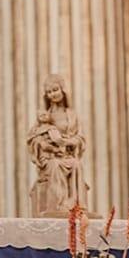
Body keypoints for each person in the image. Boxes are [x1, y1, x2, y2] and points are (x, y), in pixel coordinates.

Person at [27, 75, 89, 217]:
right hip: (51, 158)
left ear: (63, 90)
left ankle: (75, 205)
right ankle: (58, 206)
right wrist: (44, 144)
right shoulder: (44, 116)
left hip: (67, 154)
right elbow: (33, 138)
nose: (52, 94)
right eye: (49, 92)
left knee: (76, 165)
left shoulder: (72, 115)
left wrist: (66, 142)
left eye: (55, 90)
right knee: (55, 165)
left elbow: (80, 138)